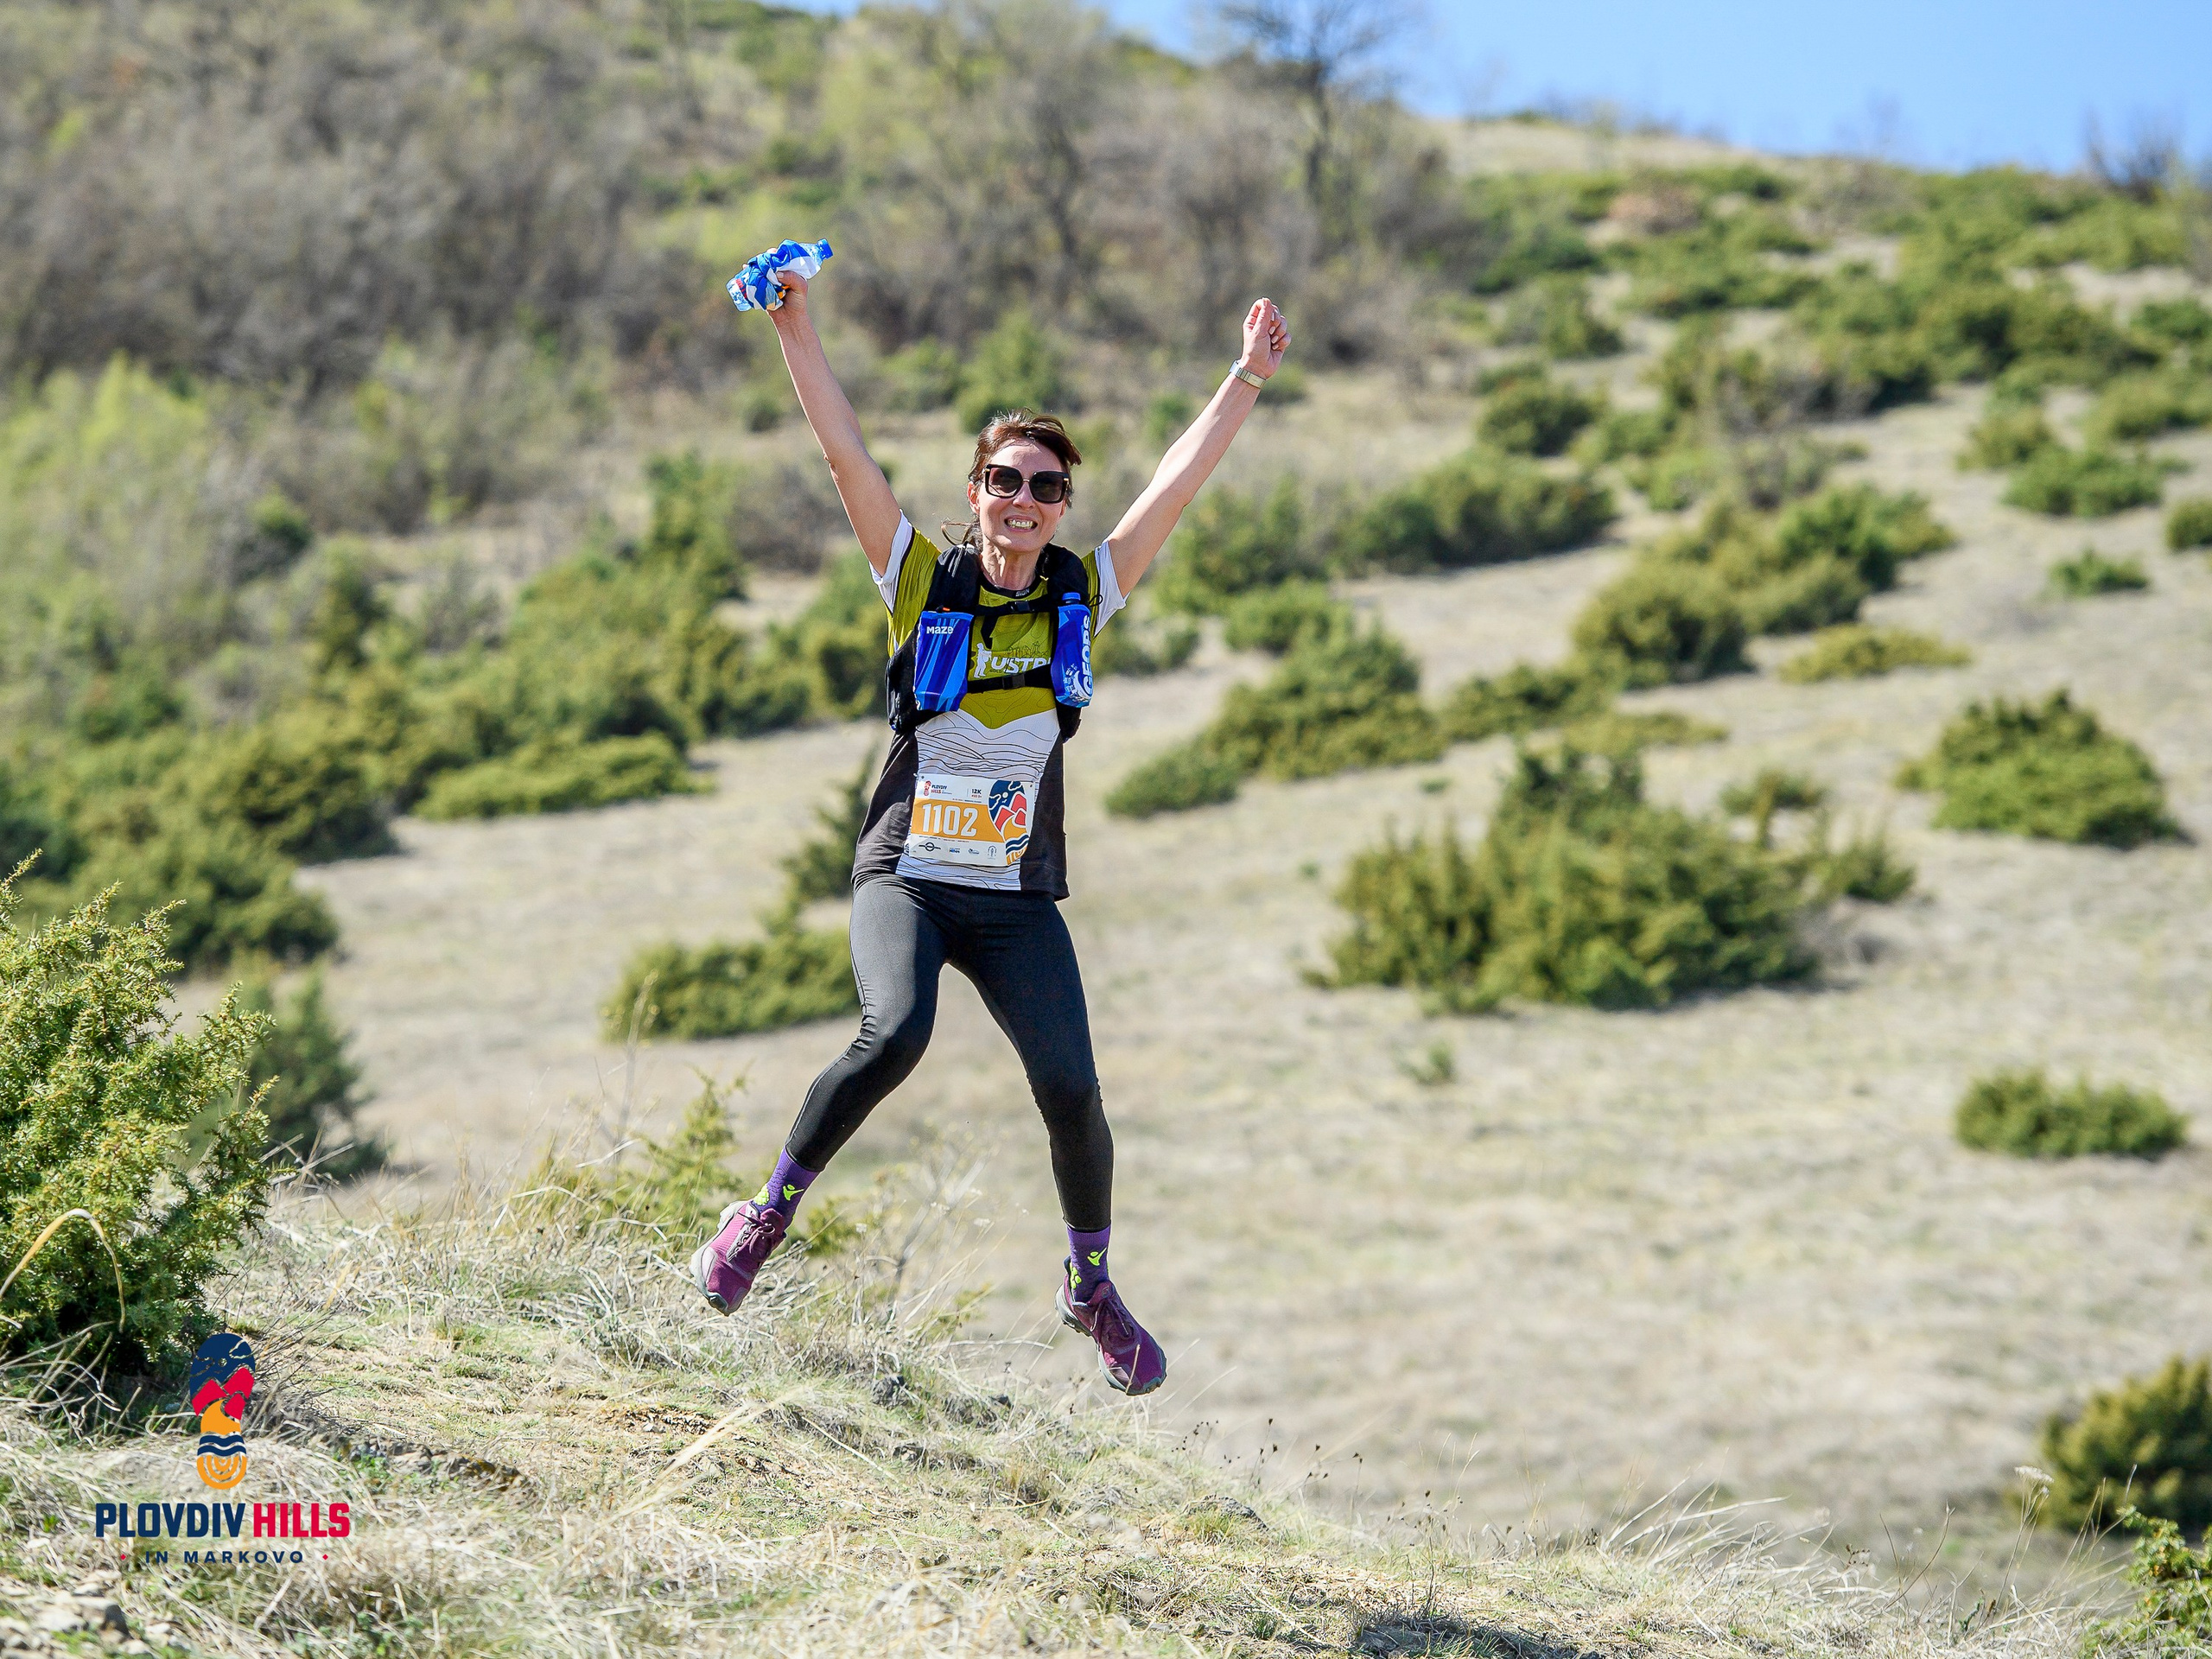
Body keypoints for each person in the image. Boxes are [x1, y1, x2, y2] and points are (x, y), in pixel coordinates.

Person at [691, 263, 1291, 1396]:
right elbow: (846, 454)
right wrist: (795, 326)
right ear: (975, 491)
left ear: (1062, 505)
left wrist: (1246, 379)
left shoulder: (1080, 597)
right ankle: (761, 1219)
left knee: (1073, 1090)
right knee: (896, 1034)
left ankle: (1090, 1289)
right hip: (909, 877)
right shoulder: (922, 579)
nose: (1024, 500)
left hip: (1013, 896)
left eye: (1046, 487)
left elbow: (1176, 486)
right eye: (1005, 480)